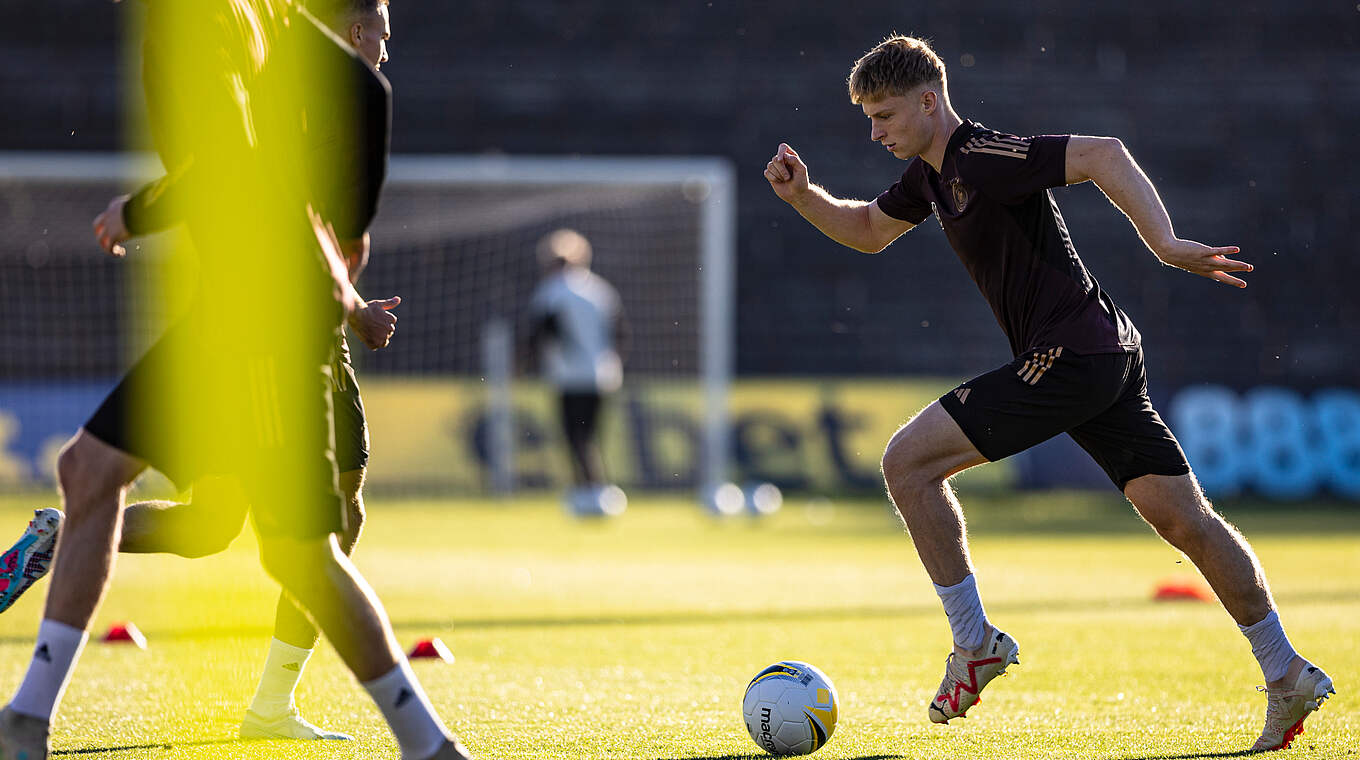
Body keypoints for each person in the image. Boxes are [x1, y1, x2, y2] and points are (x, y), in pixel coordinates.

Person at [763, 34, 1333, 753]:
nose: (875, 132)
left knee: (907, 463)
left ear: (929, 101)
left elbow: (1104, 154)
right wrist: (804, 195)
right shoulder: (930, 177)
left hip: (1071, 356)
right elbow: (871, 231)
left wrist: (1162, 242)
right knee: (1184, 520)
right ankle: (1286, 673)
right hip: (1103, 354)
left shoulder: (979, 155)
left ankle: (974, 644)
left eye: (883, 115)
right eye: (868, 118)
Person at [0, 2, 470, 759]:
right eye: (382, 25)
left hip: (261, 322)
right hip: (247, 320)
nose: (388, 41)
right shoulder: (327, 72)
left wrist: (142, 210)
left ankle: (425, 744)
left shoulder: (254, 40)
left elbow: (250, 173)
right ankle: (27, 718)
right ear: (355, 27)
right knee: (101, 476)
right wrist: (346, 302)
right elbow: (328, 227)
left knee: (291, 548)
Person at [526, 228, 628, 516]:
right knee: (590, 436)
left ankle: (591, 492)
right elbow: (620, 332)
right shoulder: (601, 289)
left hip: (568, 376)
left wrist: (525, 364)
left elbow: (542, 333)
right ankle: (593, 490)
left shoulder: (550, 292)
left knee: (575, 437)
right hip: (603, 375)